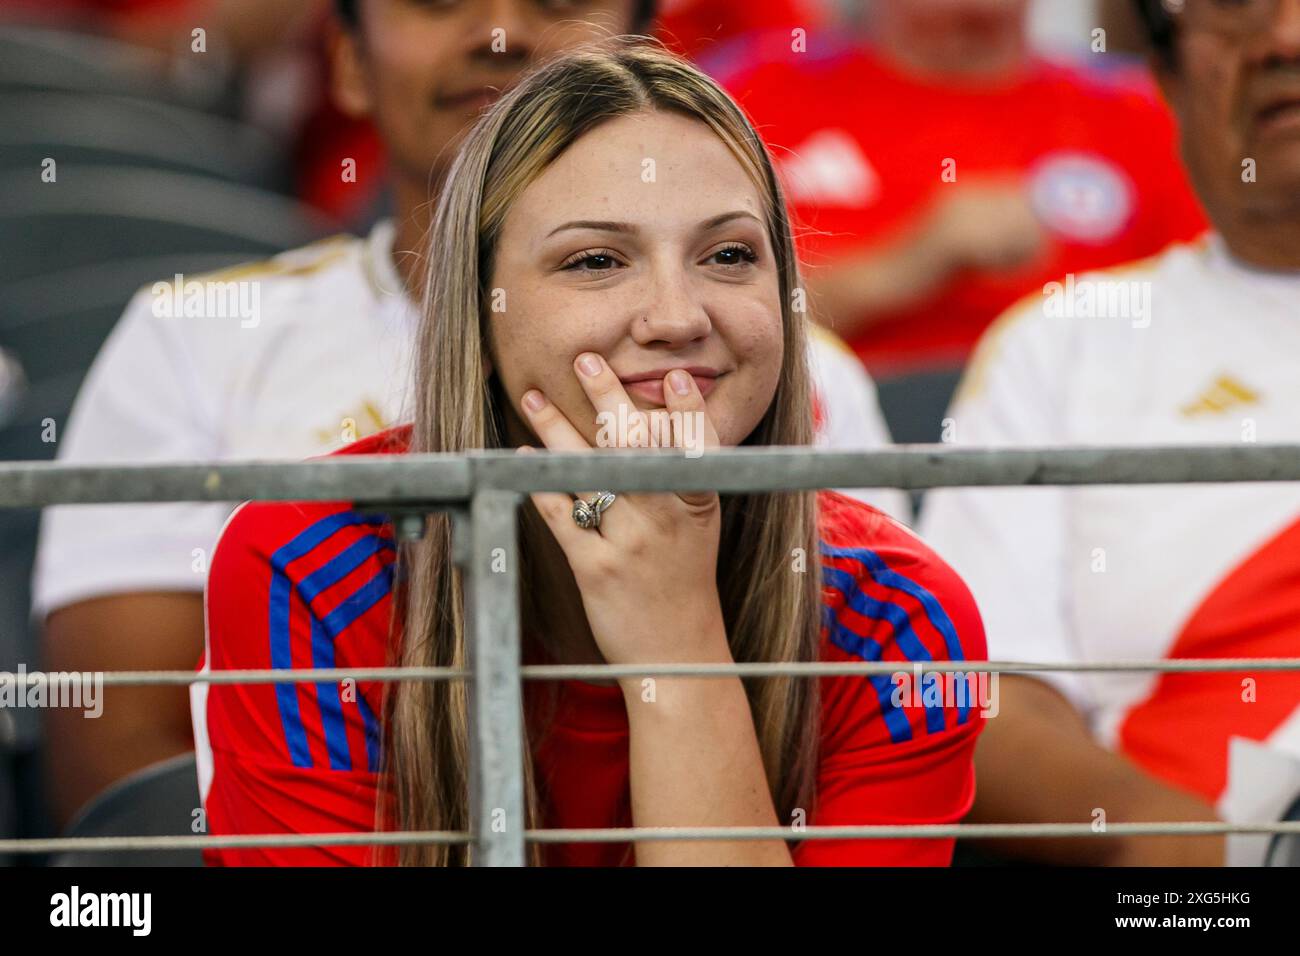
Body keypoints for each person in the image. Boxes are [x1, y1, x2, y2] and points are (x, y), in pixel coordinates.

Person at [31, 0, 906, 833]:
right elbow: (131, 777)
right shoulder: (195, 339)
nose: (499, 33)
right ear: (345, 59)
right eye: (437, 2)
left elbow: (853, 721)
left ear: (651, 50)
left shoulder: (790, 375)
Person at [197, 40, 988, 867]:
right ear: (479, 314)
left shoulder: (899, 614)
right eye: (596, 261)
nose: (677, 317)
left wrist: (676, 646)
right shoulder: (303, 560)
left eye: (729, 255)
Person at [918, 0, 1300, 866]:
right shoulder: (1063, 346)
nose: (1287, 38)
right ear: (1165, 74)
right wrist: (1205, 860)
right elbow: (983, 702)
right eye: (1239, 8)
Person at [704, 0, 1207, 386]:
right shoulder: (753, 93)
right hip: (826, 442)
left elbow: (1216, 310)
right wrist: (906, 264)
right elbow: (696, 307)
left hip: (1086, 430)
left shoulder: (1142, 113)